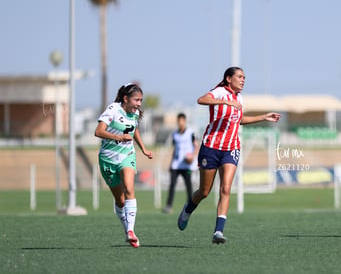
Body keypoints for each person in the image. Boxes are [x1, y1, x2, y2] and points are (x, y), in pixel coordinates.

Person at [177, 67, 281, 244]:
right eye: (239, 77)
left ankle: (218, 231)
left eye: (244, 77)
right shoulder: (220, 92)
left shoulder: (239, 98)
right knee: (204, 191)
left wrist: (264, 117)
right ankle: (188, 209)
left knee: (225, 189)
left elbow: (239, 120)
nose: (243, 80)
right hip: (211, 147)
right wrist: (225, 103)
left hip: (231, 148)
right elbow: (201, 100)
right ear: (228, 79)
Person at [95, 83, 153, 248]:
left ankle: (131, 231)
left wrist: (143, 149)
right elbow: (98, 131)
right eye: (136, 100)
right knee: (120, 200)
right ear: (126, 98)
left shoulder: (134, 113)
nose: (139, 104)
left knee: (129, 188)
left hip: (127, 155)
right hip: (108, 158)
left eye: (141, 100)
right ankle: (126, 228)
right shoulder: (112, 110)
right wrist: (119, 137)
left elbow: (134, 130)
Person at [163, 113, 198, 214]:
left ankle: (191, 206)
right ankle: (169, 206)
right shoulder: (175, 134)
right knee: (172, 184)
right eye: (179, 121)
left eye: (182, 120)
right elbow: (175, 149)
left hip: (187, 164)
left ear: (185, 121)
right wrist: (171, 163)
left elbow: (196, 146)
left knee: (188, 185)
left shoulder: (191, 133)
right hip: (176, 164)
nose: (180, 123)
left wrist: (192, 156)